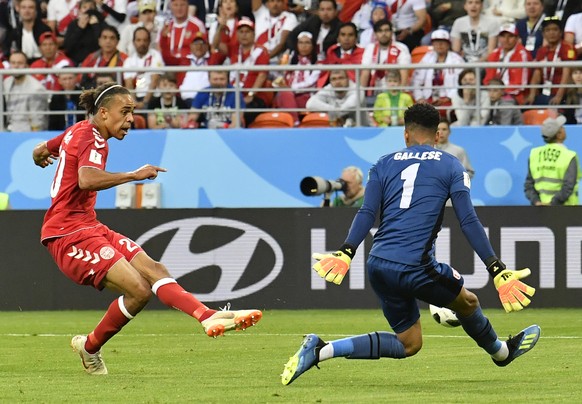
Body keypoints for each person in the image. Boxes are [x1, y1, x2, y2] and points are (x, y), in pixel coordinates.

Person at [281, 103, 540, 386]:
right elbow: (468, 220)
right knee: (468, 302)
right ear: (438, 136)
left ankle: (322, 349)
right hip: (416, 265)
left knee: (409, 343)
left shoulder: (382, 163)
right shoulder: (451, 164)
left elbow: (366, 212)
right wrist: (496, 268)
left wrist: (346, 251)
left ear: (405, 135)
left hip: (377, 263)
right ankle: (502, 354)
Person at [31, 82, 262, 375]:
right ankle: (90, 349)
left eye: (132, 112)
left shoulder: (80, 130)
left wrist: (39, 152)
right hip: (67, 234)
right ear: (103, 113)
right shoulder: (92, 138)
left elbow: (47, 148)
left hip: (89, 225)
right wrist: (134, 174)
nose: (130, 119)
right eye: (124, 112)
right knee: (139, 289)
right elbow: (86, 179)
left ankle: (206, 316)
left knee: (154, 271)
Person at [524, 115, 581, 205]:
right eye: (562, 127)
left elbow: (528, 185)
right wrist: (553, 203)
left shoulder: (534, 154)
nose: (564, 129)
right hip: (567, 210)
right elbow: (568, 186)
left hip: (540, 210)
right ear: (559, 134)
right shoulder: (569, 156)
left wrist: (536, 201)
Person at [412, 29, 465, 116]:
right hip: (427, 98)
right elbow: (416, 80)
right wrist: (420, 98)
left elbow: (461, 83)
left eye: (442, 42)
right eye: (436, 42)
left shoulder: (457, 60)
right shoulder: (427, 58)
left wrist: (447, 98)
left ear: (448, 44)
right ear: (432, 44)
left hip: (449, 99)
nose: (439, 45)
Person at [526, 15, 576, 106]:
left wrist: (559, 96)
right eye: (548, 30)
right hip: (546, 93)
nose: (551, 33)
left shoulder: (567, 48)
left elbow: (567, 74)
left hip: (563, 93)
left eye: (555, 30)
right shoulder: (541, 50)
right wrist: (532, 94)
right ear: (543, 34)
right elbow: (537, 74)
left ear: (561, 32)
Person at [360, 19, 411, 99]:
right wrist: (361, 94)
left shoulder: (401, 48)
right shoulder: (370, 48)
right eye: (380, 31)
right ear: (375, 34)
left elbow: (404, 73)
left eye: (386, 30)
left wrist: (400, 96)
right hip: (374, 91)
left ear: (391, 32)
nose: (383, 34)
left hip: (395, 92)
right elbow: (365, 73)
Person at [483, 23, 532, 105]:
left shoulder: (522, 55)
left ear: (517, 38)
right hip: (494, 93)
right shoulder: (494, 54)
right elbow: (488, 80)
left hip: (514, 96)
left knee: (504, 104)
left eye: (510, 36)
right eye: (503, 36)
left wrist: (500, 92)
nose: (506, 39)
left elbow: (520, 85)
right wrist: (493, 92)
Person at [4, 51, 48, 132]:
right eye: (13, 63)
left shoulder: (36, 88)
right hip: (7, 130)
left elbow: (37, 121)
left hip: (26, 133)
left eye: (19, 63)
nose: (16, 66)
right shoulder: (6, 82)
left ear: (26, 65)